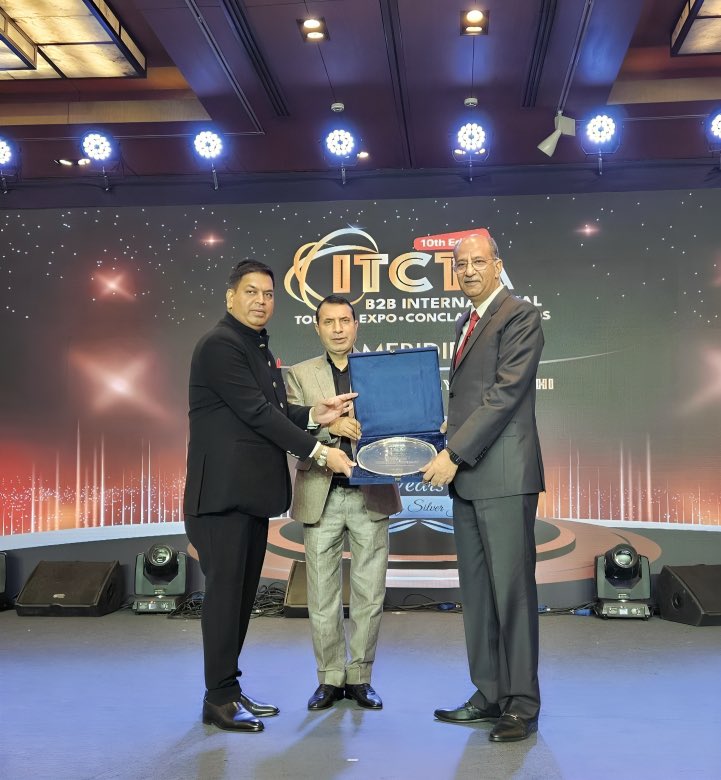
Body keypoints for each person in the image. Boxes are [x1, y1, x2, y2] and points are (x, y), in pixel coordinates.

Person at [183, 260, 356, 733]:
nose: (261, 301)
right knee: (225, 600)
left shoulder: (255, 347)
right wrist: (320, 451)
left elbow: (275, 410)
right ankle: (218, 698)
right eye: (251, 292)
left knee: (240, 600)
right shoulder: (221, 345)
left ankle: (228, 688)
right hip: (221, 499)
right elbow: (257, 413)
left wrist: (315, 414)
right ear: (230, 297)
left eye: (268, 294)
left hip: (248, 497)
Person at [420, 230, 545, 743]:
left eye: (477, 261)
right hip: (472, 480)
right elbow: (472, 398)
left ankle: (522, 704)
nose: (468, 270)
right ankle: (489, 693)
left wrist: (453, 453)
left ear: (497, 264)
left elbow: (504, 395)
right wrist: (447, 430)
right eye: (460, 264)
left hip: (504, 477)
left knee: (512, 595)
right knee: (477, 594)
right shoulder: (465, 321)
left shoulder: (520, 315)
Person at [285, 295, 401, 711]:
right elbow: (289, 430)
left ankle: (361, 677)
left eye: (344, 321)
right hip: (323, 493)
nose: (337, 329)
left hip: (372, 493)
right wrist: (333, 427)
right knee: (322, 594)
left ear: (356, 326)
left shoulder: (379, 372)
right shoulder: (298, 375)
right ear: (317, 327)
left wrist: (370, 428)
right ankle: (330, 678)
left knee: (370, 593)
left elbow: (396, 424)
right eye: (328, 321)